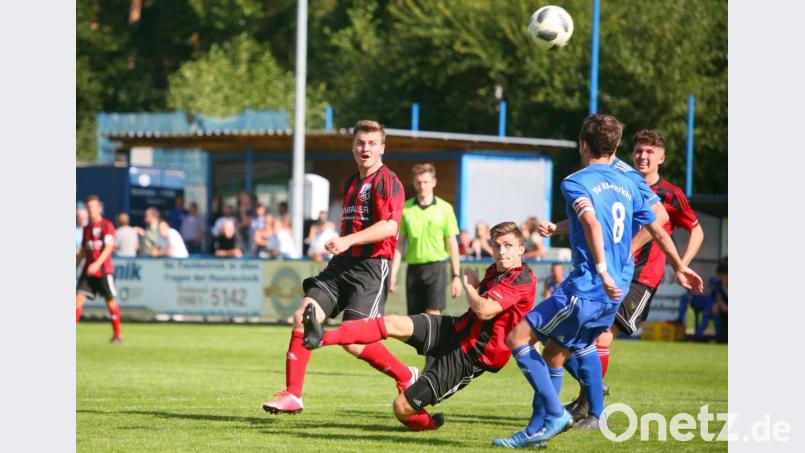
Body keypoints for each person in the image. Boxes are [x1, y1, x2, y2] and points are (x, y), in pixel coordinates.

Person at [491, 114, 703, 448]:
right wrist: (680, 265)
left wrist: (601, 269)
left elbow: (590, 220)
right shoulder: (631, 182)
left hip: (589, 285)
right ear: (618, 146)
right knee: (570, 347)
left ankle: (554, 414)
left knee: (518, 337)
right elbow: (659, 227)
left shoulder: (576, 180)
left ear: (583, 145)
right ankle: (546, 428)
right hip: (617, 287)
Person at [302, 221, 536, 431]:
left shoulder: (522, 278)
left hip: (469, 357)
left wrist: (470, 287)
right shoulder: (494, 271)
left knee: (401, 408)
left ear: (521, 249)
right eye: (497, 246)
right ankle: (321, 337)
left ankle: (429, 423)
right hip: (455, 329)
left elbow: (485, 310)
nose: (501, 251)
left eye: (508, 245)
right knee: (392, 322)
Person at [262, 119, 411, 415]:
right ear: (353, 147)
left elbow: (390, 227)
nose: (365, 148)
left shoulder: (388, 181)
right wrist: (338, 242)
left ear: (382, 147)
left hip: (371, 267)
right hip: (341, 264)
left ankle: (406, 376)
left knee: (353, 342)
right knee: (303, 316)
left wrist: (348, 240)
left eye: (371, 143)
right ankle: (293, 394)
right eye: (360, 143)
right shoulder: (351, 182)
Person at [567, 129, 706, 422]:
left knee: (602, 337)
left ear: (662, 158)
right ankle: (589, 396)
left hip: (642, 279)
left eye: (650, 152)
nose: (643, 156)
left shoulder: (669, 194)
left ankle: (590, 409)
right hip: (614, 273)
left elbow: (696, 229)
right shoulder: (621, 182)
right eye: (639, 151)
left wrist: (682, 264)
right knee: (580, 336)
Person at [390, 163, 462, 318]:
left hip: (437, 268)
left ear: (434, 182)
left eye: (426, 182)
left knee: (433, 315)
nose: (422, 186)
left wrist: (456, 277)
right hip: (413, 269)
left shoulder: (445, 208)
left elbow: (453, 246)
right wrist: (393, 274)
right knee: (415, 321)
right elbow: (400, 244)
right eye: (419, 182)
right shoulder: (406, 209)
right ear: (414, 183)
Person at [75, 195, 123, 343]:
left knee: (110, 301)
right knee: (77, 300)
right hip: (88, 272)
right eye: (88, 207)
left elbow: (109, 248)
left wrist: (97, 264)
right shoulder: (87, 229)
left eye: (93, 207)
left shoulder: (107, 225)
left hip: (103, 271)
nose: (90, 210)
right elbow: (83, 250)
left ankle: (117, 335)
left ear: (99, 208)